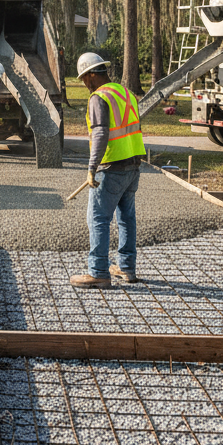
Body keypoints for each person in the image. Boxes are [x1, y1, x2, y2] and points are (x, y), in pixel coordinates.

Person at [69, 52, 146, 289]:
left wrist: (92, 167)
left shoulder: (99, 97)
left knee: (98, 219)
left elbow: (101, 132)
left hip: (111, 166)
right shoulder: (126, 93)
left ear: (92, 74)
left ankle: (98, 272)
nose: (84, 83)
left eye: (84, 78)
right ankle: (126, 267)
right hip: (134, 164)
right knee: (126, 218)